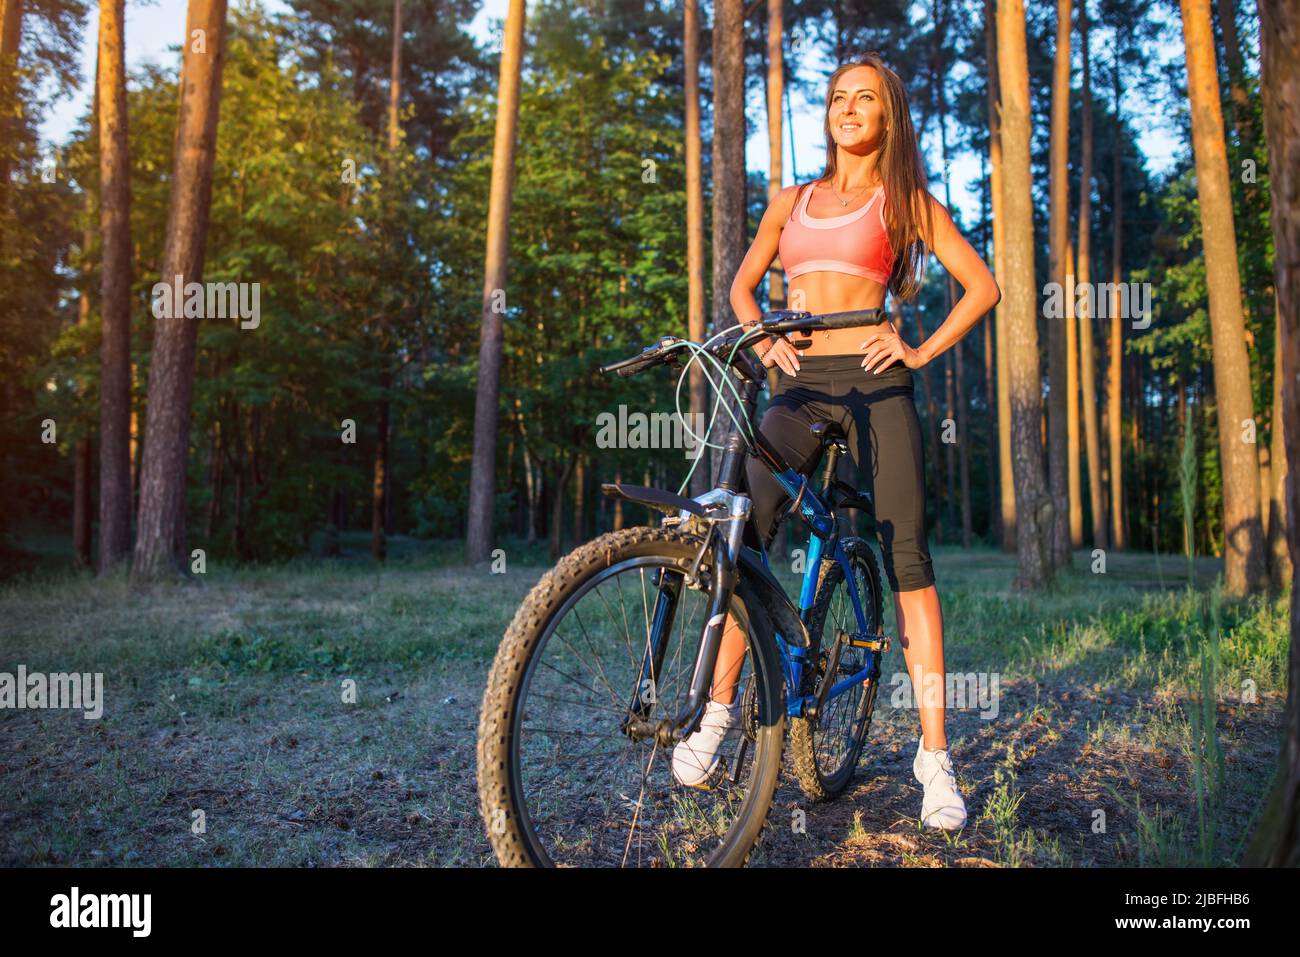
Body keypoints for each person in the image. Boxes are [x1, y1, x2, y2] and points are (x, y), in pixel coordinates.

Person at [670, 53, 1000, 832]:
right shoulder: (789, 202)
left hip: (877, 383)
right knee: (743, 539)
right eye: (838, 98)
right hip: (799, 387)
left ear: (887, 118)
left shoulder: (906, 200)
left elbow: (982, 285)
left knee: (908, 558)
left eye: (866, 99)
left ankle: (934, 757)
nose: (848, 108)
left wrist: (917, 351)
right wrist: (760, 343)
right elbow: (742, 287)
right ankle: (716, 718)